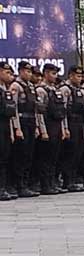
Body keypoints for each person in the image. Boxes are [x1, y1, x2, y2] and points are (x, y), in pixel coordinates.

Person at [9, 61, 41, 197]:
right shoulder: (16, 86)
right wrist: (17, 127)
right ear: (21, 71)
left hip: (31, 121)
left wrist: (38, 126)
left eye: (30, 72)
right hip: (21, 121)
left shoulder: (31, 87)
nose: (29, 74)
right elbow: (13, 108)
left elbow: (35, 109)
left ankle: (25, 184)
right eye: (27, 71)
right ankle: (17, 185)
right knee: (20, 155)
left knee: (29, 154)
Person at [35, 64, 68, 195]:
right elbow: (40, 112)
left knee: (54, 157)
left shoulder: (56, 90)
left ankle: (52, 182)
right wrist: (43, 131)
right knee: (45, 158)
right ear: (46, 73)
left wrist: (63, 129)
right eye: (53, 73)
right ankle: (45, 185)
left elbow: (61, 112)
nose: (56, 76)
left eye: (56, 74)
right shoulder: (41, 90)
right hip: (48, 126)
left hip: (57, 126)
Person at [58, 66, 84, 192]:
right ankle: (67, 180)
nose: (79, 78)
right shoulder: (65, 89)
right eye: (77, 76)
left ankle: (73, 179)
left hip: (79, 123)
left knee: (78, 152)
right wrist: (65, 128)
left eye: (81, 76)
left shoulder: (80, 90)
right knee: (69, 153)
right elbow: (63, 110)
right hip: (70, 122)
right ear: (70, 76)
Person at [0, 62, 18, 201]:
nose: (10, 75)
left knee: (5, 158)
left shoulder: (6, 91)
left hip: (5, 126)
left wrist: (12, 131)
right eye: (6, 73)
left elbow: (11, 113)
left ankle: (3, 188)